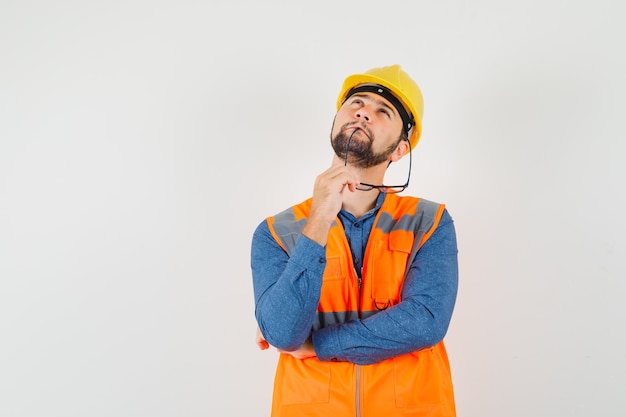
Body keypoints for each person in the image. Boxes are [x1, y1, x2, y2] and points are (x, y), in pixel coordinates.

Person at [251, 64, 459, 417]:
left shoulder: (430, 221)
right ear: (335, 121)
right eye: (356, 103)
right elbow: (284, 334)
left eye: (383, 112)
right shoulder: (275, 232)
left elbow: (425, 321)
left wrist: (319, 344)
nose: (363, 111)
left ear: (399, 150)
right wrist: (319, 219)